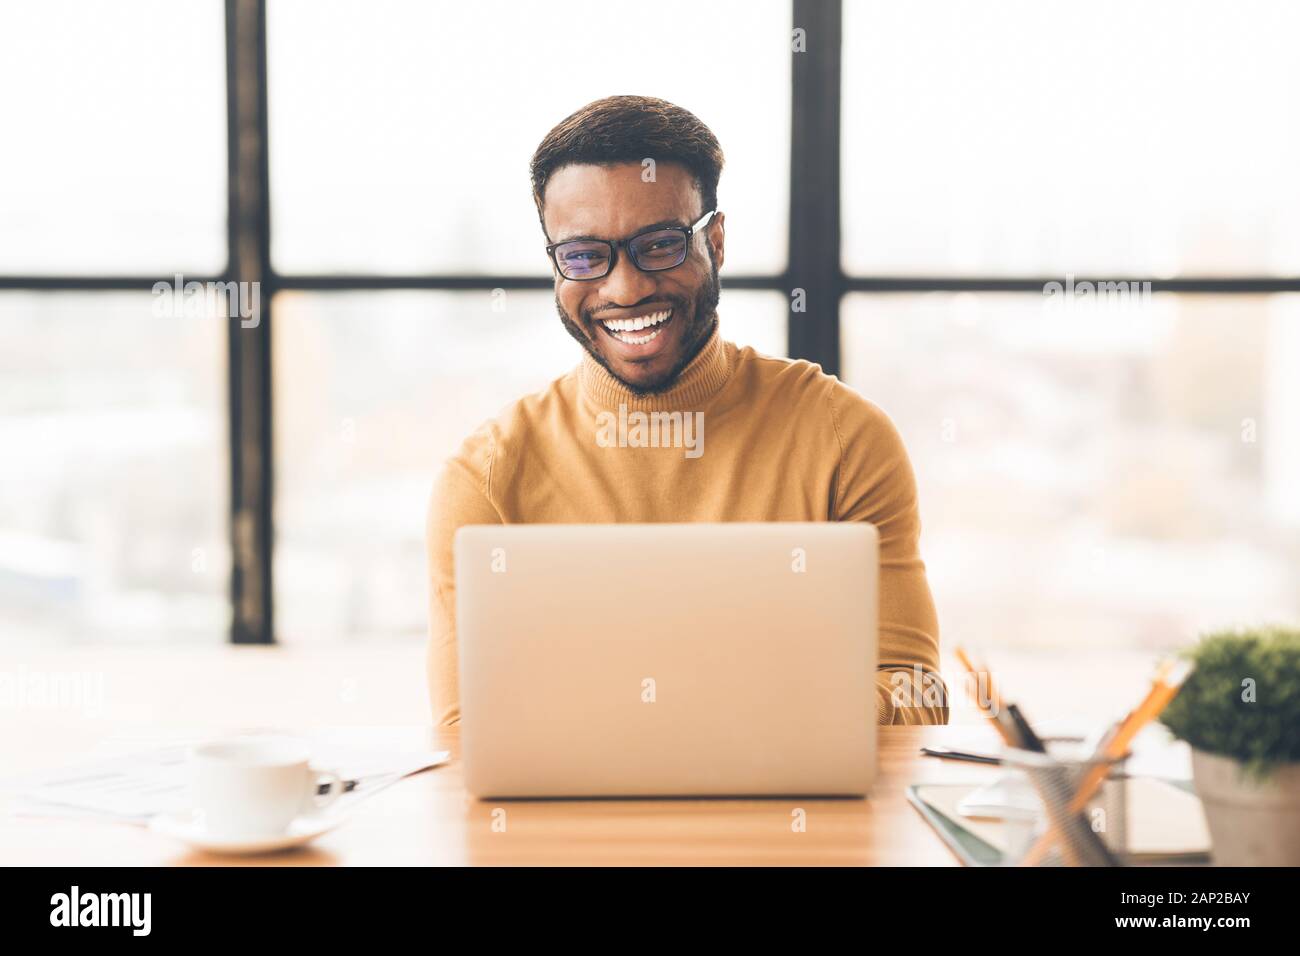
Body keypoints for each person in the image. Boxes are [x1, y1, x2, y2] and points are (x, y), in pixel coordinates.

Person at [426, 95, 948, 727]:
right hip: (571, 828)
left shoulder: (845, 438)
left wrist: (684, 712)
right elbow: (464, 736)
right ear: (555, 266)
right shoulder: (486, 477)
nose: (625, 288)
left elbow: (918, 696)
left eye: (660, 245)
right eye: (586, 255)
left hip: (793, 821)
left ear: (717, 242)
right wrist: (763, 705)